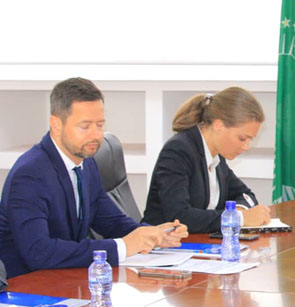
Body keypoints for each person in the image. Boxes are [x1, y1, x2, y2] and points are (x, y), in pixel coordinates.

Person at [0, 77, 188, 279]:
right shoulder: (30, 174)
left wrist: (153, 234)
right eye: (85, 126)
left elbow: (111, 222)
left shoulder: (86, 162)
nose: (96, 135)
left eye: (99, 125)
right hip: (27, 285)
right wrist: (123, 247)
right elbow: (39, 253)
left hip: (67, 278)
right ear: (56, 124)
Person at [143, 87, 271, 233]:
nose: (246, 147)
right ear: (219, 125)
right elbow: (179, 217)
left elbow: (246, 195)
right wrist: (238, 218)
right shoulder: (178, 151)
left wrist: (239, 209)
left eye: (250, 140)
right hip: (162, 243)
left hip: (198, 241)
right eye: (242, 138)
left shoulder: (216, 156)